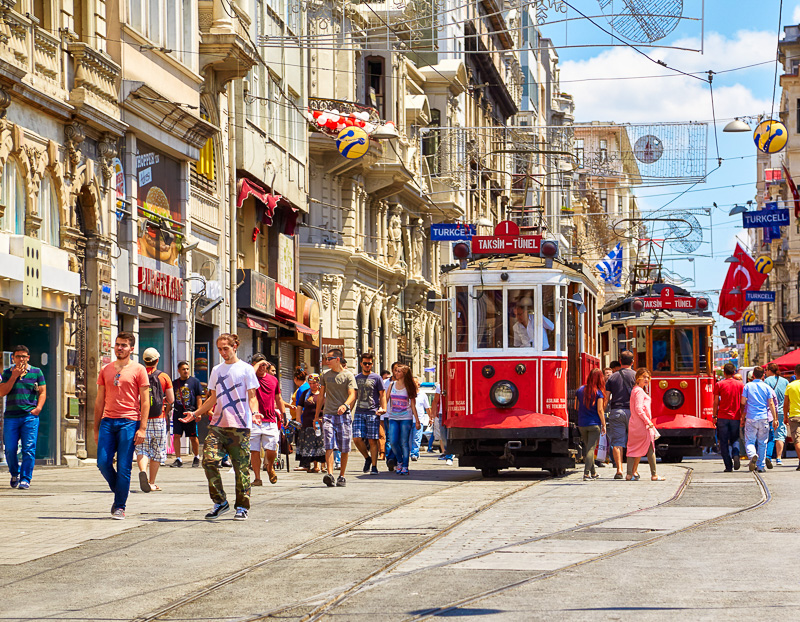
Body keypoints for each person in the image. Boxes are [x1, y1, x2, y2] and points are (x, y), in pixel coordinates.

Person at [182, 334, 259, 520]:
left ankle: (242, 507)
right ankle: (220, 501)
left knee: (241, 470)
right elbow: (213, 398)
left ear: (235, 346)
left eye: (226, 348)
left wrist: (255, 413)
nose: (223, 352)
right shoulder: (216, 370)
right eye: (219, 349)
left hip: (240, 427)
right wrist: (196, 413)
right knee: (208, 461)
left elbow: (252, 396)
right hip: (218, 425)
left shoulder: (246, 370)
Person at [94, 333, 150, 519]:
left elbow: (145, 402)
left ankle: (119, 506)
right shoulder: (106, 369)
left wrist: (142, 428)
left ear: (131, 349)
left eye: (124, 345)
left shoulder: (139, 370)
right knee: (102, 462)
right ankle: (120, 490)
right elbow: (99, 400)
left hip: (129, 421)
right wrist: (95, 428)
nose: (119, 348)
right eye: (117, 345)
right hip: (108, 421)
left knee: (124, 465)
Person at [0, 345, 46, 489]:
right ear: (13, 358)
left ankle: (26, 478)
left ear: (28, 358)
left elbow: (43, 392)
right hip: (11, 417)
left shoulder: (36, 372)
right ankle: (15, 473)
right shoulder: (7, 373)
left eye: (24, 356)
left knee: (28, 448)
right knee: (10, 448)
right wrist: (14, 376)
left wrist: (38, 409)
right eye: (18, 356)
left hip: (29, 417)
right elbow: (2, 392)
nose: (21, 359)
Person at [314, 348, 357, 487]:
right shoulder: (325, 375)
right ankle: (330, 474)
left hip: (343, 416)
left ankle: (342, 476)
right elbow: (321, 396)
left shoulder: (348, 376)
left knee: (344, 447)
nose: (326, 361)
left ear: (337, 359)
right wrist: (316, 415)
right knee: (329, 444)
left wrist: (345, 405)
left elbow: (352, 394)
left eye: (329, 359)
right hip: (328, 415)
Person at [135, 348, 174, 492]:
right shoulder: (164, 377)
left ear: (144, 360)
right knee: (157, 450)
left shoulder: (139, 375)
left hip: (141, 418)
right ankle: (151, 482)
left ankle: (142, 471)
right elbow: (171, 399)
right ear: (157, 360)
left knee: (142, 448)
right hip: (158, 418)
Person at [250, 354, 288, 485]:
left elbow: (278, 398)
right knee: (254, 450)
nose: (262, 367)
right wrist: (255, 367)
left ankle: (270, 466)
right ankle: (257, 478)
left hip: (270, 419)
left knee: (272, 449)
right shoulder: (249, 378)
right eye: (259, 364)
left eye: (264, 364)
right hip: (253, 420)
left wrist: (283, 414)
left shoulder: (273, 380)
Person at [627, 368, 664, 481]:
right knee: (649, 447)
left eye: (648, 377)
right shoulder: (639, 391)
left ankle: (631, 473)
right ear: (638, 378)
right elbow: (639, 408)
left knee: (635, 447)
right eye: (644, 377)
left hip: (636, 423)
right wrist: (647, 421)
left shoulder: (637, 390)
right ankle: (653, 475)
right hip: (642, 424)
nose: (646, 379)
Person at [741, 366, 778, 473]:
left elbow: (743, 402)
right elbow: (771, 403)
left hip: (751, 417)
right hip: (764, 418)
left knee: (750, 440)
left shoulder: (747, 386)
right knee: (763, 442)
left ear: (753, 375)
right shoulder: (767, 387)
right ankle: (761, 466)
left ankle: (752, 455)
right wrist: (775, 419)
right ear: (763, 375)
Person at [353, 352, 386, 474]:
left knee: (373, 440)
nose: (367, 365)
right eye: (365, 363)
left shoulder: (377, 378)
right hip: (359, 412)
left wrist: (383, 408)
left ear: (372, 364)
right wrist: (348, 409)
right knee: (356, 438)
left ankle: (374, 466)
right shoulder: (356, 378)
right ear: (361, 363)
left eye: (369, 363)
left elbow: (382, 394)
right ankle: (367, 458)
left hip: (373, 412)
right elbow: (354, 396)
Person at [385, 365, 421, 475]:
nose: (396, 373)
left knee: (404, 442)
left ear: (404, 374)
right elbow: (385, 399)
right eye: (395, 371)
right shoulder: (392, 385)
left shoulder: (409, 387)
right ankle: (399, 461)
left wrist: (417, 421)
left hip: (406, 418)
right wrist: (381, 409)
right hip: (393, 417)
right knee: (393, 441)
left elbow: (413, 406)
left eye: (399, 371)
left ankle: (405, 465)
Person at [605, 350, 636, 479]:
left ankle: (619, 470)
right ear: (632, 362)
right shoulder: (636, 376)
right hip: (633, 412)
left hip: (616, 411)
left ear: (620, 360)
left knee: (617, 442)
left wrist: (604, 412)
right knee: (633, 442)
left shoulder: (612, 377)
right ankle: (633, 471)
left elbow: (606, 398)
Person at [170, 361, 203, 467]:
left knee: (193, 437)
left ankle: (196, 456)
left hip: (191, 413)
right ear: (179, 371)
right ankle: (178, 458)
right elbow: (171, 398)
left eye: (187, 369)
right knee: (177, 435)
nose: (186, 371)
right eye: (183, 369)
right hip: (178, 413)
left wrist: (198, 412)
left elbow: (199, 397)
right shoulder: (175, 383)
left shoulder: (195, 382)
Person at [576, 368, 606, 481]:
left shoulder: (580, 390)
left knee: (588, 447)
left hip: (582, 424)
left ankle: (593, 473)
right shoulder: (599, 393)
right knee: (591, 449)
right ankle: (586, 474)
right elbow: (600, 410)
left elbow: (576, 407)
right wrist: (604, 424)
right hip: (594, 424)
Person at [713, 363, 744, 472]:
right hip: (735, 416)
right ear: (734, 372)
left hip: (722, 416)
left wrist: (714, 415)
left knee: (723, 441)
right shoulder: (740, 385)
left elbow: (716, 401)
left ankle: (728, 465)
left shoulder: (719, 384)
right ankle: (735, 454)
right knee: (735, 439)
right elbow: (743, 402)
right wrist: (742, 416)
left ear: (724, 373)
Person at [295, 373, 325, 471]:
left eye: (314, 383)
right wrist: (298, 419)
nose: (312, 385)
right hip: (307, 423)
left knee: (321, 443)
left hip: (320, 423)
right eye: (310, 383)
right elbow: (299, 406)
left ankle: (323, 466)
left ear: (318, 383)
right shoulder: (306, 393)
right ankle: (315, 466)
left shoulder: (323, 393)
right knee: (310, 444)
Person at [765, 363, 789, 466]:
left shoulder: (767, 381)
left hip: (770, 412)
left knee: (769, 435)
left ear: (770, 371)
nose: (765, 372)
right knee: (780, 435)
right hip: (782, 411)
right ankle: (779, 458)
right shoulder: (785, 381)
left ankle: (768, 457)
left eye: (766, 370)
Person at [782, 363, 800, 471]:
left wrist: (785, 416)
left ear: (795, 373)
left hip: (794, 416)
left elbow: (786, 403)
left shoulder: (790, 386)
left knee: (797, 440)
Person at [430, 381, 454, 465]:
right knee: (443, 436)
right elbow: (435, 400)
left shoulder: (454, 383)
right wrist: (433, 414)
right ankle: (448, 452)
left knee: (450, 435)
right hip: (441, 414)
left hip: (452, 413)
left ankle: (449, 456)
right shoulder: (439, 386)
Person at [410, 378, 430, 461]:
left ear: (419, 385)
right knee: (408, 439)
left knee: (416, 438)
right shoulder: (408, 394)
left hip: (419, 420)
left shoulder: (423, 395)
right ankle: (411, 452)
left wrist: (431, 418)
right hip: (408, 419)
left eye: (416, 383)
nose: (414, 385)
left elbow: (427, 407)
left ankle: (414, 453)